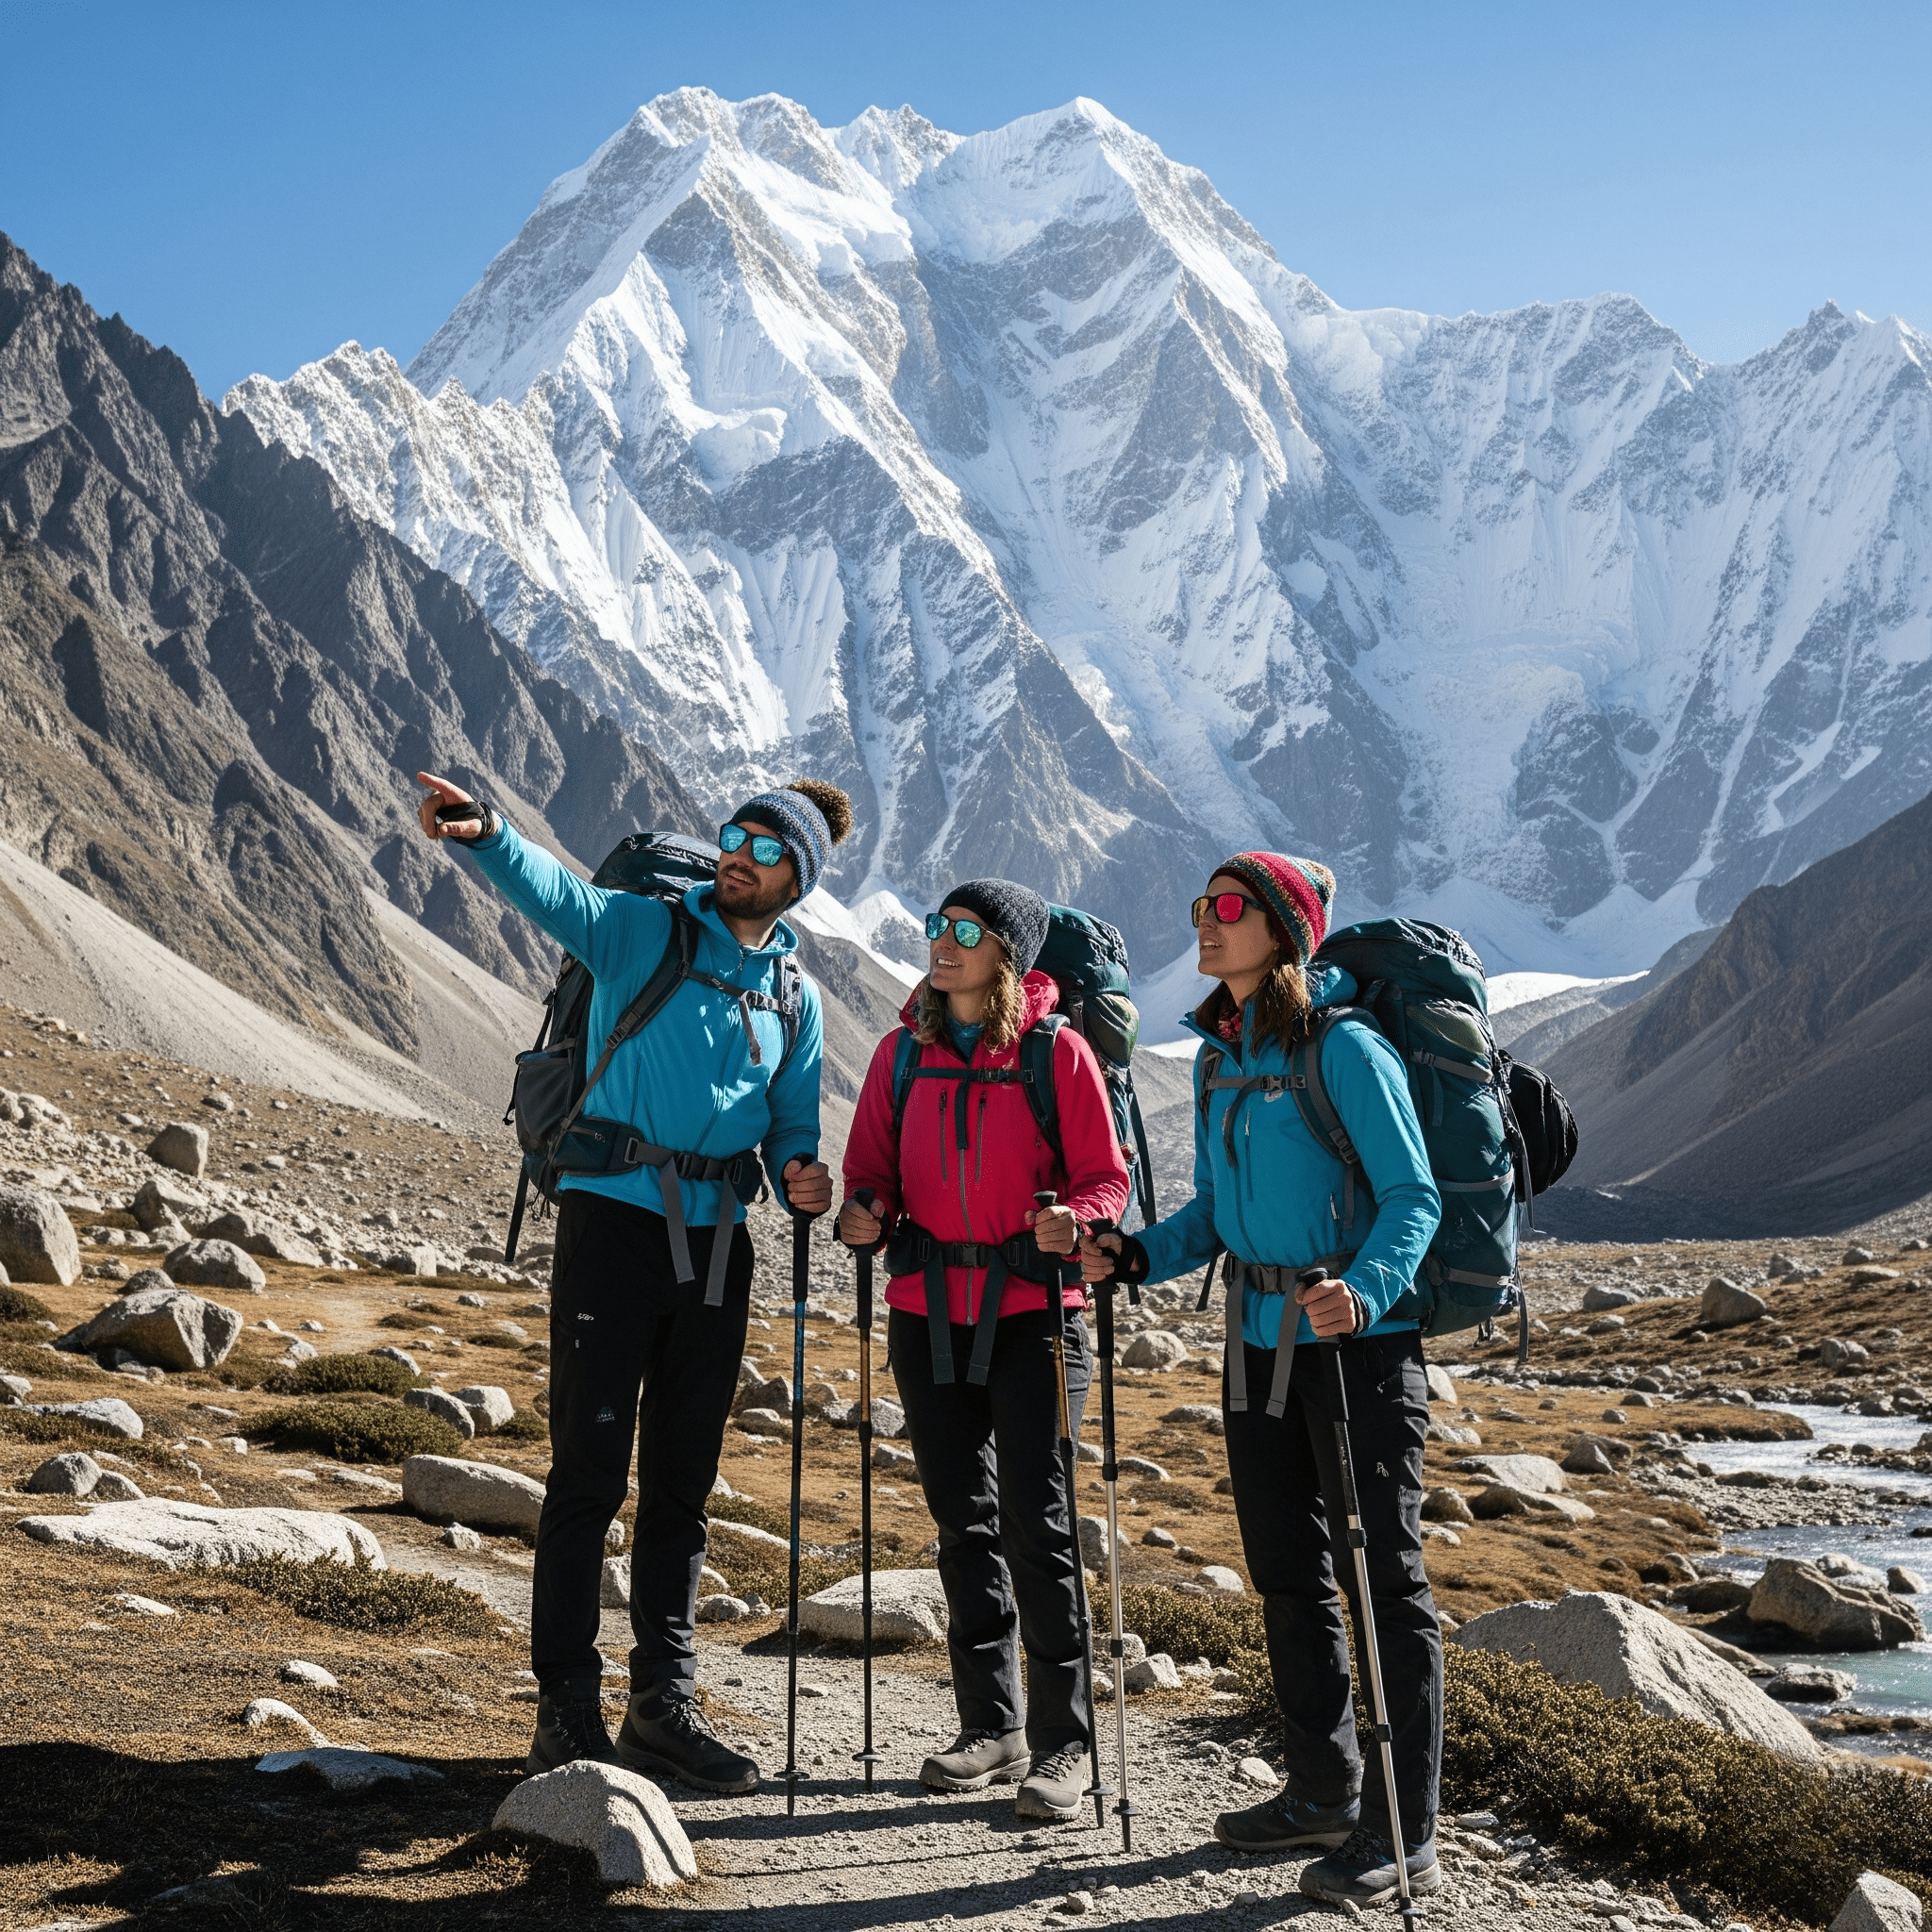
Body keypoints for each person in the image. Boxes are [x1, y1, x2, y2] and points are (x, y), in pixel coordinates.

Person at [415, 770, 841, 1792]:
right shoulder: (643, 931)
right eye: (734, 833)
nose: (738, 851)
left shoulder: (795, 990)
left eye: (766, 845)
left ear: (799, 880)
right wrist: (484, 832)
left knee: (684, 1485)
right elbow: (552, 893)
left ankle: (662, 1700)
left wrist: (801, 1171)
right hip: (611, 1222)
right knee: (589, 1472)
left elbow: (791, 1113)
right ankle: (565, 1706)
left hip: (719, 1241)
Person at [1079, 854, 1444, 1908]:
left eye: (1226, 907)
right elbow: (1216, 1216)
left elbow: (1410, 1194)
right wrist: (1140, 1252)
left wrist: (1366, 1292)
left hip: (1356, 1347)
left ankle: (1402, 1828)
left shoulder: (1346, 1048)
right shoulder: (1217, 1058)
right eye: (1198, 904)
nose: (1203, 921)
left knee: (1386, 1583)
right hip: (1253, 1336)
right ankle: (1320, 1787)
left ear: (1284, 930)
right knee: (1287, 1570)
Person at [838, 880, 1129, 1822]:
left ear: (1009, 951)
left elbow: (1103, 1177)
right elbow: (870, 1171)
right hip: (926, 1310)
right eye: (935, 927)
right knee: (961, 1520)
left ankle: (1064, 1745)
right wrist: (863, 1213)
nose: (941, 943)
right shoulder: (898, 1054)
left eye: (964, 931)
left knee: (1035, 1525)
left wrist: (1073, 1218)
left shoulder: (1057, 1052)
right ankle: (991, 1726)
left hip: (1034, 1311)